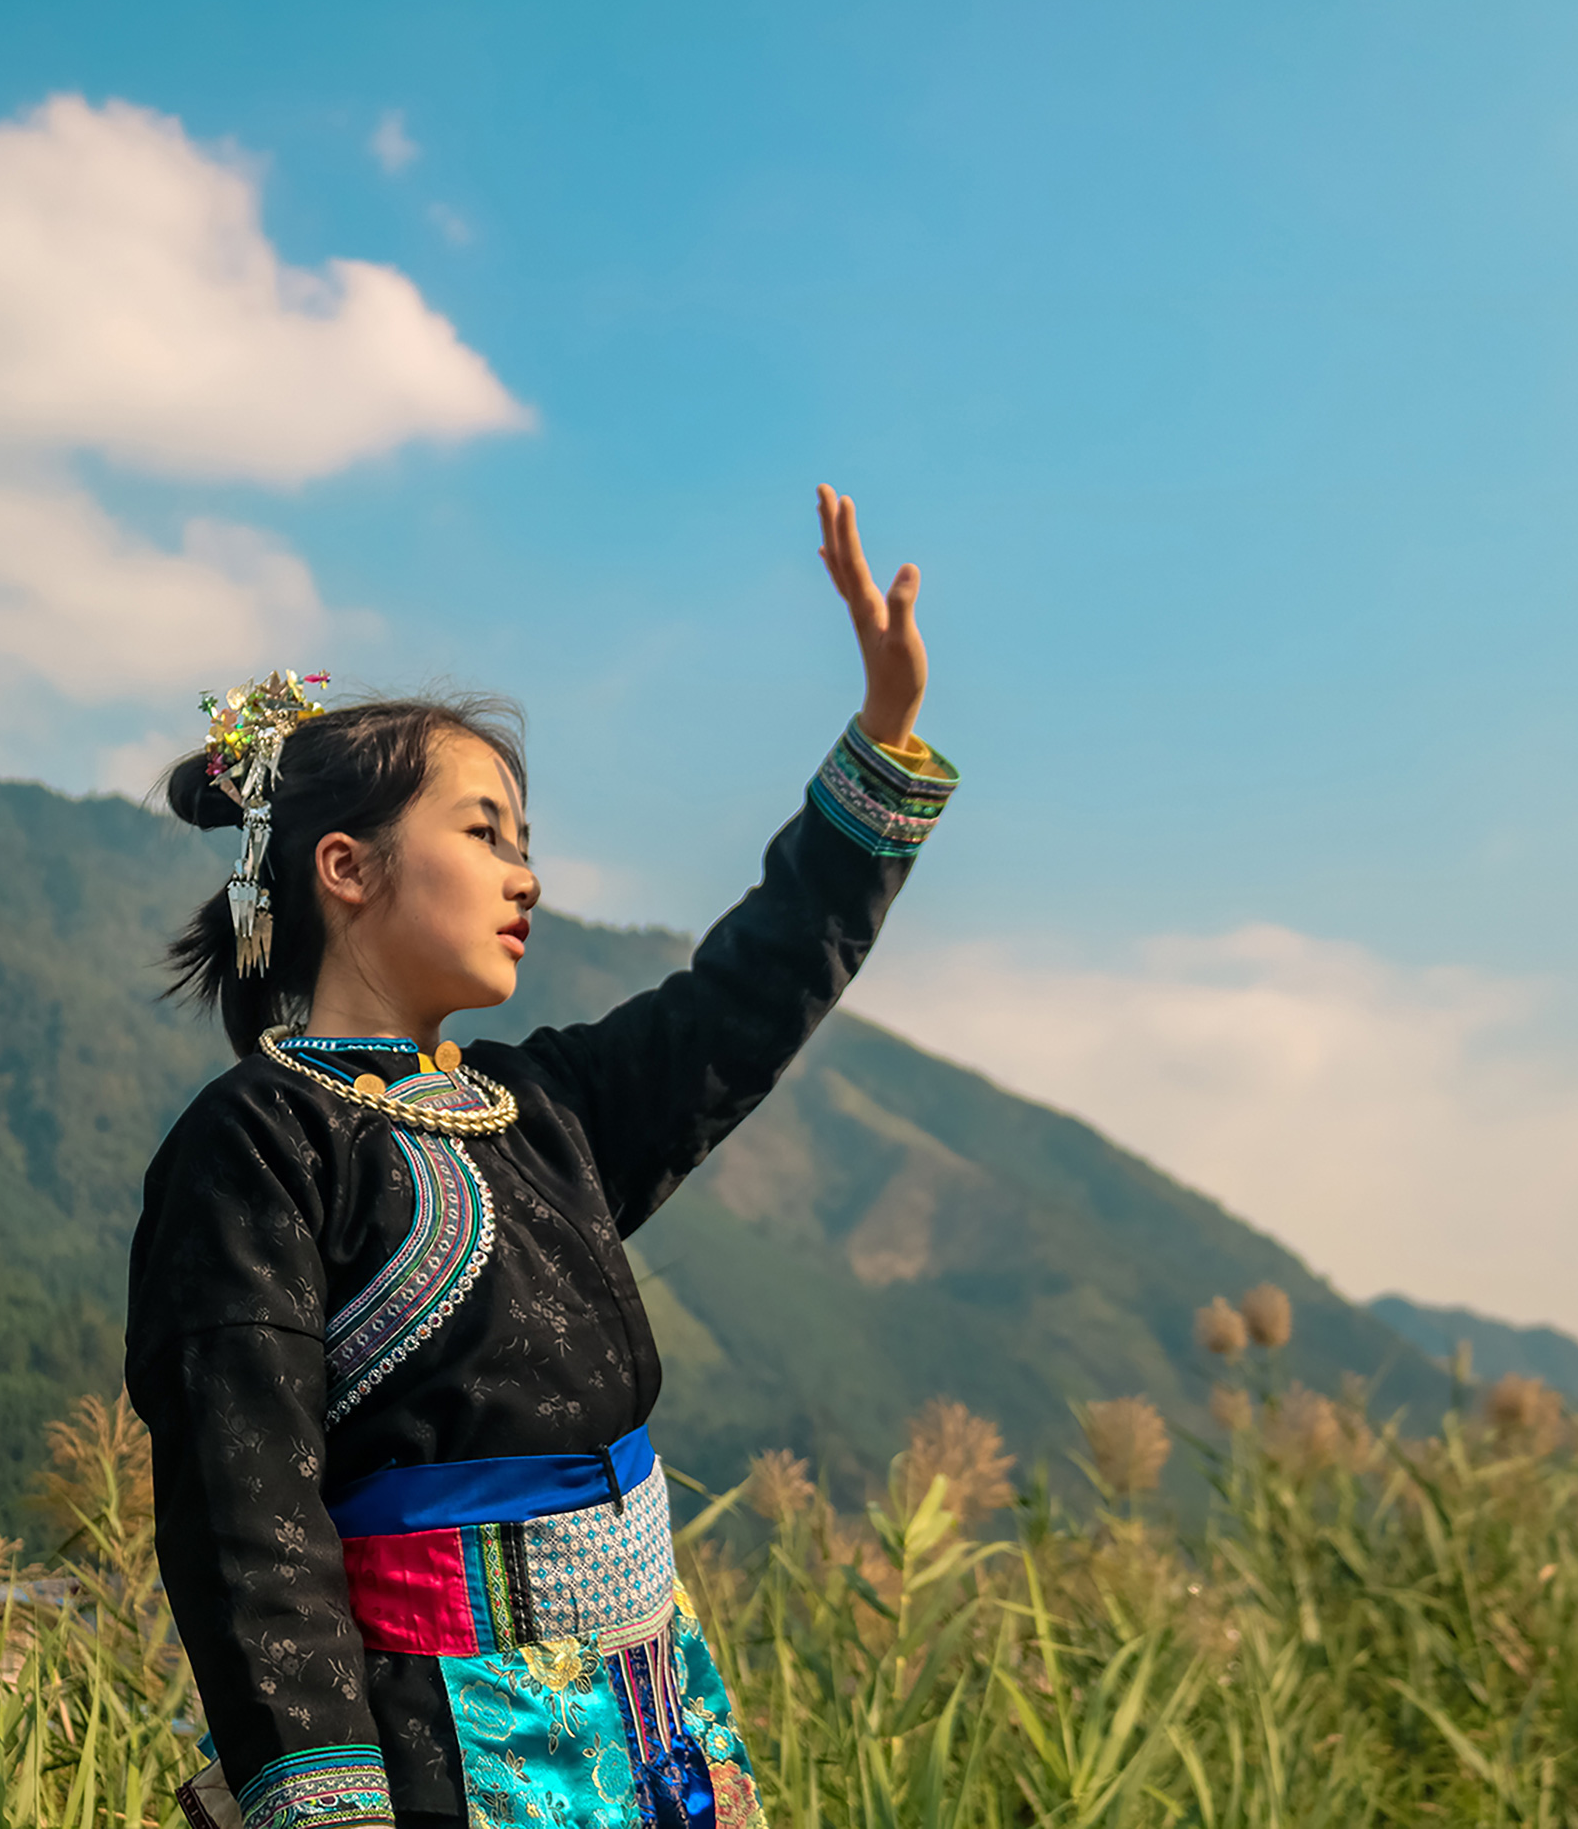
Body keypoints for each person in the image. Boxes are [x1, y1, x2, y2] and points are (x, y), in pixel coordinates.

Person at [128, 486, 960, 1829]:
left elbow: (746, 1000)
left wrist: (881, 737)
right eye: (483, 834)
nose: (526, 878)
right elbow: (247, 1527)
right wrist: (330, 1802)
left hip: (657, 1734)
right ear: (345, 866)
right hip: (442, 1757)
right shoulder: (257, 1146)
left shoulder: (546, 1111)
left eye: (527, 844)